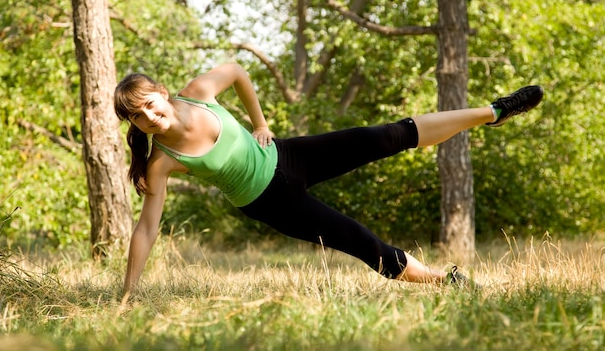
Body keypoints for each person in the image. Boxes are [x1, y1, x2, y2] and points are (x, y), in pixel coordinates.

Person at [114, 62, 544, 293]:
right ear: (134, 122)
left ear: (163, 93)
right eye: (140, 116)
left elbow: (238, 70)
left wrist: (260, 123)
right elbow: (148, 227)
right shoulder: (161, 161)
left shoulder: (199, 93)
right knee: (362, 242)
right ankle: (445, 280)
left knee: (386, 135)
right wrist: (130, 291)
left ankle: (493, 112)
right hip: (271, 203)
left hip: (284, 155)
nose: (152, 117)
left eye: (152, 104)